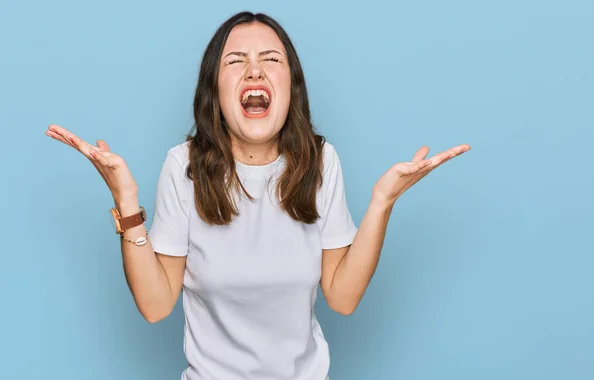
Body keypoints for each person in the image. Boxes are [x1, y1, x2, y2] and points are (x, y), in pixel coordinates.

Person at [45, 11, 469, 380]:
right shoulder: (183, 167)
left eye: (271, 59)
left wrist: (382, 202)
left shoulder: (320, 162)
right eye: (236, 61)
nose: (254, 71)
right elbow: (155, 306)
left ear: (291, 85)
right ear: (215, 88)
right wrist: (126, 200)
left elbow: (342, 296)